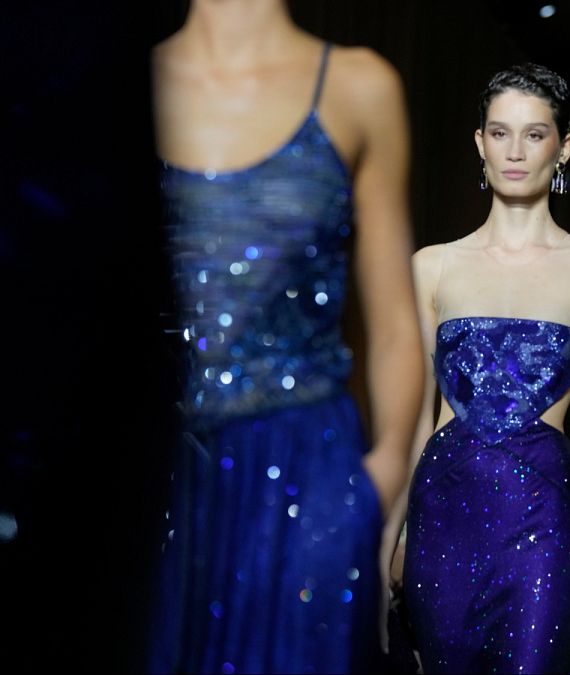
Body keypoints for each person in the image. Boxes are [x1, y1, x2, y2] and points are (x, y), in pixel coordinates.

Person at [149, 0, 425, 672]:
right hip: (151, 473)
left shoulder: (357, 87)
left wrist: (375, 487)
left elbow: (395, 323)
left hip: (306, 475)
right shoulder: (124, 80)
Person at [401, 63, 570, 674]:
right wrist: (392, 538)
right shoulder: (433, 267)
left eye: (535, 134)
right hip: (442, 520)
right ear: (480, 143)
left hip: (544, 528)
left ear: (564, 146)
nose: (516, 151)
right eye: (500, 133)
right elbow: (414, 420)